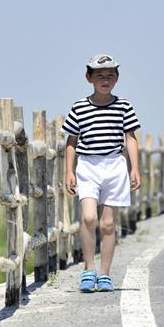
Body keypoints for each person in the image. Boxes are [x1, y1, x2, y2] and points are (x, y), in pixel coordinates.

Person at [63, 53, 142, 292]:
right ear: (89, 78)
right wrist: (69, 171)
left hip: (115, 164)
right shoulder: (79, 107)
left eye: (110, 75)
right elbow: (71, 140)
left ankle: (104, 273)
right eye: (99, 76)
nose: (105, 80)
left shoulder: (123, 106)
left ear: (117, 79)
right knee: (88, 218)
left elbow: (131, 138)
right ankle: (88, 269)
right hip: (87, 165)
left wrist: (134, 168)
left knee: (108, 223)